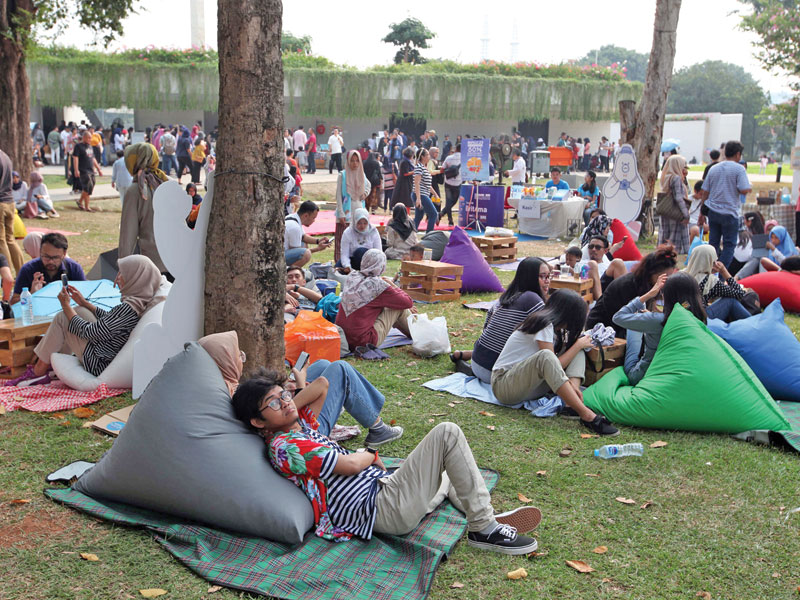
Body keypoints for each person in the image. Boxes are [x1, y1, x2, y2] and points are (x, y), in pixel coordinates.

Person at [231, 370, 540, 554]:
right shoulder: (286, 447)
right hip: (382, 507)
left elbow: (321, 385)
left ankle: (482, 515)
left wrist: (292, 390)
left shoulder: (301, 431)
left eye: (283, 396)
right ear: (258, 422)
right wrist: (372, 454)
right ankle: (483, 527)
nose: (285, 402)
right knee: (447, 434)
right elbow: (352, 466)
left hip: (385, 494)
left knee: (445, 472)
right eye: (273, 403)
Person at [5, 255, 165, 387]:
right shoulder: (138, 301)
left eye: (123, 274)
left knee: (63, 317)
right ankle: (49, 362)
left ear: (135, 277)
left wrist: (66, 306)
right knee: (80, 311)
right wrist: (85, 303)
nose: (118, 278)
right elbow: (111, 322)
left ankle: (38, 371)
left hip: (99, 362)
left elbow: (91, 332)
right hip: (107, 353)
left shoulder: (128, 307)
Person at [491, 289, 619, 436]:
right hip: (504, 387)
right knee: (551, 354)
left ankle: (571, 405)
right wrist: (577, 345)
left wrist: (577, 346)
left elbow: (553, 367)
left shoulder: (553, 327)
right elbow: (551, 363)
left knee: (577, 349)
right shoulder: (543, 324)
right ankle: (586, 415)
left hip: (526, 386)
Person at [450, 257, 549, 383]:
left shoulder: (506, 297)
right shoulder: (533, 300)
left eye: (548, 276)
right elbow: (548, 335)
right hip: (496, 374)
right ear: (530, 277)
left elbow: (487, 329)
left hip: (477, 362)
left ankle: (466, 355)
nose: (547, 281)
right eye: (542, 276)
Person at [612, 272, 707, 385]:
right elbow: (683, 305)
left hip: (644, 376)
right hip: (675, 375)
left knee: (635, 324)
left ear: (665, 295)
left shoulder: (658, 321)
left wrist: (649, 294)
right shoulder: (697, 319)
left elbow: (618, 317)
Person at [586, 244, 679, 335]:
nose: (666, 281)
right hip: (601, 328)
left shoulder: (649, 284)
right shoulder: (629, 286)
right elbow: (625, 319)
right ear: (651, 273)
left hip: (620, 326)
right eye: (665, 276)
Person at [336, 249, 415, 348]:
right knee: (399, 308)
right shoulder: (379, 285)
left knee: (391, 305)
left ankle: (415, 331)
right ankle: (418, 334)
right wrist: (392, 285)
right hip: (363, 341)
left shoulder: (352, 277)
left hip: (342, 338)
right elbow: (408, 302)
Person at [119, 143, 171, 278]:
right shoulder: (168, 182)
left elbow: (128, 233)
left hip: (152, 264)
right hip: (177, 259)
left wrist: (124, 267)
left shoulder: (136, 190)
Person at [699, 141, 752, 267]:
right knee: (729, 245)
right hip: (729, 213)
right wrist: (749, 189)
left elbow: (705, 191)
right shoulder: (739, 169)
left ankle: (710, 271)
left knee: (713, 243)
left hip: (713, 211)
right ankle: (721, 275)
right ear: (738, 154)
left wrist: (702, 210)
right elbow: (743, 189)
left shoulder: (714, 168)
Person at [11, 233, 86, 304]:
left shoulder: (74, 268)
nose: (50, 261)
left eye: (55, 257)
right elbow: (13, 302)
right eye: (46, 256)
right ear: (40, 252)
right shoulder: (28, 269)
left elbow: (85, 297)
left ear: (64, 254)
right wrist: (31, 294)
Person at [684, 245, 750, 323]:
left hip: (686, 318)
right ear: (707, 261)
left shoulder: (683, 275)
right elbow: (739, 293)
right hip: (701, 320)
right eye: (713, 261)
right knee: (730, 301)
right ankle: (753, 323)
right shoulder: (709, 281)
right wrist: (724, 272)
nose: (716, 264)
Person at [334, 150, 371, 263]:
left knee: (357, 239)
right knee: (342, 238)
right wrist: (341, 213)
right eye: (352, 161)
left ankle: (354, 262)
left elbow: (368, 185)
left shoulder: (361, 174)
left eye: (357, 161)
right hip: (346, 211)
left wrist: (365, 193)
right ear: (348, 161)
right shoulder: (342, 175)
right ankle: (340, 262)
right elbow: (339, 195)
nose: (355, 164)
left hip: (359, 210)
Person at [576, 235, 627, 300]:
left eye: (598, 247)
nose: (593, 249)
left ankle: (627, 302)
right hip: (590, 291)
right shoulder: (580, 263)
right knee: (592, 264)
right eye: (591, 247)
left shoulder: (608, 265)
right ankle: (600, 304)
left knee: (619, 262)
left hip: (606, 290)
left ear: (605, 251)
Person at [658, 155, 690, 254]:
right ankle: (675, 252)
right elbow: (678, 197)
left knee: (666, 233)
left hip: (667, 210)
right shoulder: (676, 178)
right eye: (683, 166)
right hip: (676, 211)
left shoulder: (667, 177)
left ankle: (664, 252)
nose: (684, 168)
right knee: (675, 235)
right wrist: (686, 213)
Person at [284, 200, 330, 268]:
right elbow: (301, 254)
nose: (314, 221)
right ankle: (290, 272)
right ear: (306, 216)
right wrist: (318, 249)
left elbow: (304, 237)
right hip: (280, 257)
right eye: (313, 218)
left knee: (304, 244)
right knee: (306, 254)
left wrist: (318, 241)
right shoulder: (295, 227)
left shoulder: (292, 217)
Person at [72, 130, 103, 212]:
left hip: (91, 169)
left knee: (91, 186)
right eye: (88, 138)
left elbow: (93, 158)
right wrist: (76, 170)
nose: (90, 139)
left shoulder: (90, 146)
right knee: (88, 186)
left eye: (91, 138)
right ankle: (87, 207)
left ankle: (80, 201)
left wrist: (98, 169)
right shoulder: (78, 146)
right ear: (84, 137)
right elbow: (75, 158)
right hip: (83, 170)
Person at [413, 148, 438, 234]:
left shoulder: (424, 167)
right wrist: (418, 198)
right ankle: (429, 235)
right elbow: (417, 183)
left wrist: (435, 194)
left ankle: (411, 234)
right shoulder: (419, 167)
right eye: (427, 155)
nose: (429, 156)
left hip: (424, 194)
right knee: (433, 214)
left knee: (418, 216)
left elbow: (427, 184)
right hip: (421, 195)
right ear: (423, 157)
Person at [440, 142, 462, 226]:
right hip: (458, 183)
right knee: (454, 201)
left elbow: (442, 169)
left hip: (448, 182)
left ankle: (449, 220)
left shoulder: (449, 158)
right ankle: (442, 214)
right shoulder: (464, 159)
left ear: (455, 149)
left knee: (448, 201)